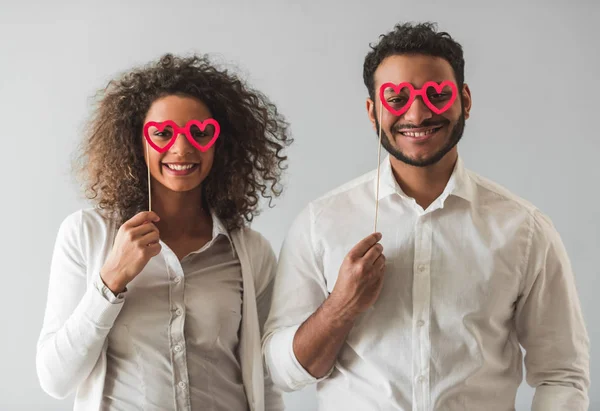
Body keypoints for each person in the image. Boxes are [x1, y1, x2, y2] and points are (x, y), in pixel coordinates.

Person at [263, 22, 590, 411]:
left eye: (436, 95)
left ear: (464, 100)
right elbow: (283, 374)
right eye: (397, 98)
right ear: (373, 112)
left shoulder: (525, 230)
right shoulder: (321, 223)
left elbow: (561, 376)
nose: (417, 114)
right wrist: (341, 306)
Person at [37, 53, 291, 411]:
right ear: (136, 142)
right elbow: (54, 379)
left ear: (220, 143)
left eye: (200, 133)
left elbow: (266, 380)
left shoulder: (251, 252)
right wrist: (110, 281)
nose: (182, 148)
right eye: (162, 133)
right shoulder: (85, 235)